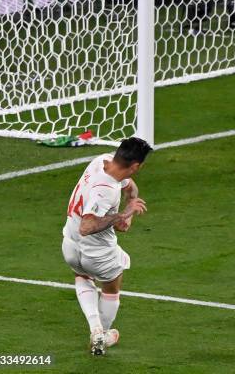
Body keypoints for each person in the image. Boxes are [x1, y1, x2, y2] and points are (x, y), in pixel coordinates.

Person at [61, 137, 152, 355]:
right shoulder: (108, 190)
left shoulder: (101, 160)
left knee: (82, 276)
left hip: (70, 245)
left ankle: (97, 332)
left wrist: (129, 206)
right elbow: (87, 225)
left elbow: (130, 186)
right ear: (136, 166)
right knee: (112, 287)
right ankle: (100, 334)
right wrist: (122, 214)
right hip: (97, 252)